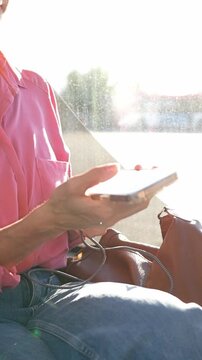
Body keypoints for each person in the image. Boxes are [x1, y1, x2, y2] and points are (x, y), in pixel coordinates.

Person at [1, 1, 202, 359]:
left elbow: (66, 234)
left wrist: (93, 212)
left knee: (187, 327)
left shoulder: (36, 91)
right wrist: (52, 219)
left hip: (51, 290)